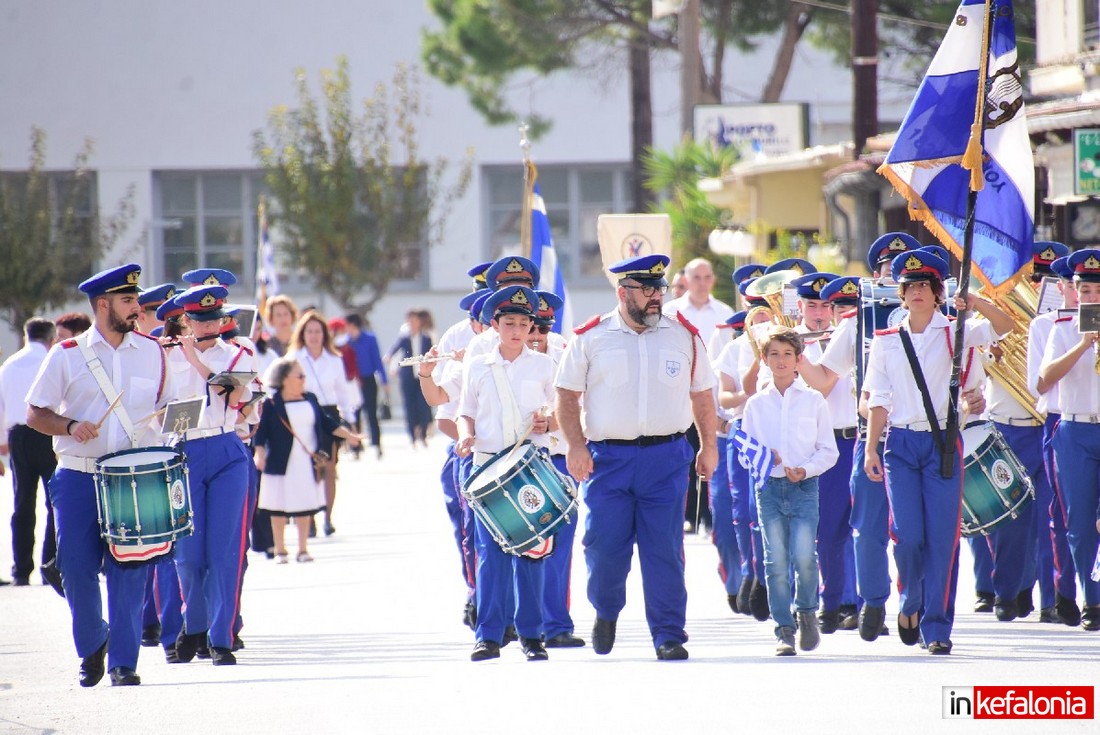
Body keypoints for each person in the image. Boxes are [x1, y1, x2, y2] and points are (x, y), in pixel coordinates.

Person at [556, 253, 717, 661]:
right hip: (608, 461)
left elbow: (702, 394)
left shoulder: (684, 336)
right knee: (604, 548)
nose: (656, 297)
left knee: (664, 548)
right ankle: (606, 611)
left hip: (667, 459)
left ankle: (668, 634)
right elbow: (567, 394)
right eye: (646, 289)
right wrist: (575, 445)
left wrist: (709, 446)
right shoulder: (591, 337)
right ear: (622, 291)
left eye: (659, 289)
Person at [26, 263, 171, 687]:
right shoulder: (66, 354)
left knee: (131, 568)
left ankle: (124, 664)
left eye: (137, 300)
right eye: (128, 301)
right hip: (78, 474)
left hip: (134, 476)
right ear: (103, 304)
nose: (137, 307)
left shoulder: (152, 351)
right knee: (74, 565)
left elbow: (171, 407)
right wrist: (70, 427)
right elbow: (35, 411)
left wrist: (175, 421)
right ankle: (93, 644)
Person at [863, 249, 1009, 654]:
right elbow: (878, 397)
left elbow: (1006, 325)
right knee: (908, 537)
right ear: (902, 294)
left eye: (926, 286)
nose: (918, 293)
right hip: (902, 442)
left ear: (938, 292)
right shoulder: (887, 342)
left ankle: (937, 626)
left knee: (943, 539)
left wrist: (975, 303)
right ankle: (911, 598)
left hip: (943, 441)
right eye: (911, 287)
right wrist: (871, 448)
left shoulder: (956, 330)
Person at [456, 285, 557, 662]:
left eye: (523, 323)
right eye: (508, 322)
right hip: (487, 464)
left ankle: (532, 635)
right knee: (491, 553)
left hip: (529, 465)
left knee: (532, 550)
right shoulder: (478, 364)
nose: (516, 329)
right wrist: (465, 436)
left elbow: (561, 413)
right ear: (495, 325)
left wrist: (549, 423)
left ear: (532, 326)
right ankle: (489, 635)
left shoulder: (545, 365)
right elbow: (465, 411)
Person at [164, 284, 255, 666]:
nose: (208, 327)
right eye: (200, 320)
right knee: (187, 552)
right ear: (186, 320)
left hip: (224, 448)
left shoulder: (238, 352)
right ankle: (194, 625)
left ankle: (220, 637)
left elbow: (234, 398)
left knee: (224, 551)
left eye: (214, 319)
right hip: (183, 450)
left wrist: (197, 361)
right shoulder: (164, 356)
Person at [740, 326, 839, 655]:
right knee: (775, 560)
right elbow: (745, 451)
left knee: (804, 556)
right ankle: (783, 628)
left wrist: (805, 469)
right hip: (768, 488)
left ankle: (807, 611)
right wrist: (765, 461)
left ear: (799, 360)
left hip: (804, 487)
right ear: (764, 360)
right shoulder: (755, 405)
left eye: (787, 354)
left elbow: (828, 450)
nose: (781, 361)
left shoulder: (813, 401)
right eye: (773, 354)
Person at [1037, 248, 1100, 631]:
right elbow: (1044, 381)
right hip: (1074, 429)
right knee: (1077, 522)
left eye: (1096, 290)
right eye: (1085, 290)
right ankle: (1092, 599)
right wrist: (1082, 344)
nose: (1090, 297)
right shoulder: (1061, 328)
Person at [254, 358, 363, 562]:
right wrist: (259, 453)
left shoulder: (310, 399)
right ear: (284, 378)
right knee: (277, 505)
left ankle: (303, 549)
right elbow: (261, 433)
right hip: (279, 460)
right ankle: (280, 549)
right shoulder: (271, 403)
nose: (303, 380)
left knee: (304, 504)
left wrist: (349, 436)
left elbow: (326, 423)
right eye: (299, 375)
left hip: (305, 461)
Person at [1028, 252, 1082, 626]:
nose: (1083, 295)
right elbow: (1040, 383)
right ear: (1063, 287)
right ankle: (1063, 594)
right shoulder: (1047, 326)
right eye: (1078, 286)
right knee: (1063, 514)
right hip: (1062, 420)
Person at [282, 311, 360, 536]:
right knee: (309, 467)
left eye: (318, 331)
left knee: (329, 466)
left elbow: (344, 394)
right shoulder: (294, 357)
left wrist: (351, 423)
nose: (314, 336)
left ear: (324, 334)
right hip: (302, 412)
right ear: (302, 334)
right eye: (310, 331)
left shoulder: (334, 360)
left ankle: (328, 517)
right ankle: (310, 516)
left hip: (328, 414)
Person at [1, 317, 58, 586]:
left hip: (18, 436)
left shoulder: (10, 364)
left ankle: (21, 570)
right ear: (50, 338)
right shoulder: (50, 359)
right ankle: (50, 564)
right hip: (47, 432)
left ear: (26, 335)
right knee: (53, 502)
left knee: (22, 503)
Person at [386, 308, 434, 448]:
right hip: (407, 377)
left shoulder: (426, 337)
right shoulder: (404, 337)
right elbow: (394, 348)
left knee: (423, 407)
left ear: (420, 321)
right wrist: (388, 357)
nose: (412, 323)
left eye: (414, 320)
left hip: (422, 377)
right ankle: (412, 436)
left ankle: (423, 434)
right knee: (409, 407)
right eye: (410, 320)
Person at [345, 313, 388, 459]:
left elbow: (377, 360)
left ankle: (376, 444)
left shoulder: (370, 339)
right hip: (352, 382)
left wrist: (384, 380)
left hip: (369, 380)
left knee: (371, 414)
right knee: (354, 415)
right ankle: (356, 446)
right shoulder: (347, 342)